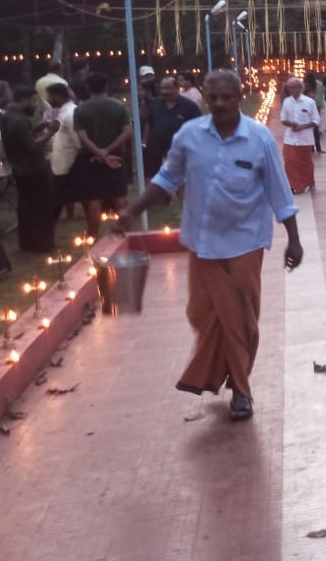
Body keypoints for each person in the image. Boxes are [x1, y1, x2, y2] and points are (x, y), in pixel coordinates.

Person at [119, 70, 301, 421]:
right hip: (202, 242)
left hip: (245, 242)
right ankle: (215, 372)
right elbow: (167, 179)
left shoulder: (259, 138)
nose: (219, 104)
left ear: (238, 96)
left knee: (241, 320)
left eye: (226, 97)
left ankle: (241, 390)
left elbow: (280, 191)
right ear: (205, 96)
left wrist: (294, 239)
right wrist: (132, 210)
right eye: (213, 97)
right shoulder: (189, 135)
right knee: (203, 315)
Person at [72, 72, 133, 240]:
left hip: (90, 158)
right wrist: (108, 150)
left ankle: (92, 235)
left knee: (94, 198)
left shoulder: (81, 110)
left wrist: (99, 152)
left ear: (87, 88)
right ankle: (126, 233)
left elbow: (82, 137)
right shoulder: (118, 106)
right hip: (116, 156)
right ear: (106, 86)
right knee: (119, 196)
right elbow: (127, 131)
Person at [0, 86, 58, 253]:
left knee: (26, 207)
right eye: (32, 101)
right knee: (41, 207)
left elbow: (22, 139)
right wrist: (50, 132)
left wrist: (38, 128)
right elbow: (32, 146)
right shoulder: (19, 120)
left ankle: (27, 243)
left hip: (20, 169)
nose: (34, 105)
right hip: (33, 169)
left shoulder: (8, 116)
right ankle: (44, 244)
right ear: (22, 100)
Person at [146, 76, 202, 176]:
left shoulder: (189, 106)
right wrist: (145, 142)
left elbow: (198, 127)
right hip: (157, 152)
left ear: (177, 88)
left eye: (167, 88)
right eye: (162, 88)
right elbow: (149, 123)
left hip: (182, 154)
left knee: (181, 184)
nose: (164, 91)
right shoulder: (155, 104)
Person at [279, 77, 319, 194]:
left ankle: (308, 182)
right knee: (289, 160)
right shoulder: (286, 102)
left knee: (305, 162)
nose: (291, 90)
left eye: (293, 87)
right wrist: (291, 124)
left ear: (300, 88)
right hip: (290, 138)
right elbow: (283, 119)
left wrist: (302, 127)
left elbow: (316, 120)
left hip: (304, 138)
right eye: (289, 88)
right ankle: (294, 184)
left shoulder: (309, 102)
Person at [46, 82, 79, 219]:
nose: (48, 100)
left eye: (50, 97)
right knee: (66, 191)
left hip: (68, 159)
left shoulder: (70, 112)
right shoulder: (64, 111)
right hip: (61, 159)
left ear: (58, 96)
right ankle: (69, 215)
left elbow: (76, 137)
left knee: (63, 191)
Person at [302, 72, 324, 153]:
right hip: (316, 106)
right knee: (316, 128)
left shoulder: (303, 85)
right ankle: (318, 147)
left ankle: (310, 147)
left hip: (306, 107)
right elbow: (321, 97)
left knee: (308, 128)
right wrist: (321, 106)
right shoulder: (319, 84)